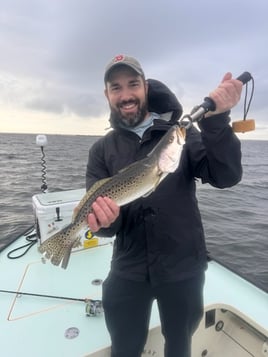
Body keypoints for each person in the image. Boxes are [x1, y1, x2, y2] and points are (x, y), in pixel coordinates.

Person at [85, 54, 243, 357]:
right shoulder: (101, 150)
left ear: (145, 87)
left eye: (133, 84)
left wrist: (218, 122)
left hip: (183, 266)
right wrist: (104, 222)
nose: (126, 94)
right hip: (128, 266)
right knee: (124, 348)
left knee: (180, 345)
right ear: (107, 95)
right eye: (116, 88)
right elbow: (105, 229)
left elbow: (226, 176)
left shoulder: (179, 135)